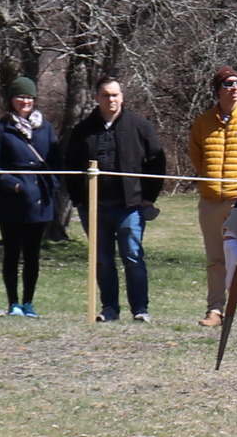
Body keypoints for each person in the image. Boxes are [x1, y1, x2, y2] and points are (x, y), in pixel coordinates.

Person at [65, 79, 167, 323]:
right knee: (102, 261)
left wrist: (147, 198)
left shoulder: (140, 126)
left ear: (122, 97)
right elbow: (69, 166)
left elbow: (157, 162)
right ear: (96, 97)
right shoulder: (82, 130)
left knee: (132, 256)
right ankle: (109, 309)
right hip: (95, 208)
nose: (111, 99)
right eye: (105, 95)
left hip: (129, 208)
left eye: (115, 95)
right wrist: (80, 200)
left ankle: (140, 310)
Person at [188, 64, 237, 327]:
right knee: (215, 259)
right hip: (210, 201)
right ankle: (215, 310)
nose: (234, 89)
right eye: (228, 84)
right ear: (217, 90)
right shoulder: (203, 122)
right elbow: (197, 157)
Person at [0, 78, 60, 315]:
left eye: (29, 98)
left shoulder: (45, 127)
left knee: (33, 255)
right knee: (12, 253)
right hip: (11, 201)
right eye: (20, 97)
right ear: (11, 100)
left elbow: (56, 162)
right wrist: (12, 184)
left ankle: (29, 302)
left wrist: (52, 184)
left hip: (39, 200)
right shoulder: (0, 127)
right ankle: (13, 302)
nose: (25, 102)